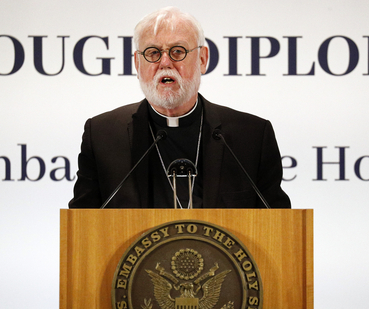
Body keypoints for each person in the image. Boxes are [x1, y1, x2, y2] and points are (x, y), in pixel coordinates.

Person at [69, 6, 291, 209]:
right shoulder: (101, 136)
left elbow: (278, 229)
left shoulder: (251, 137)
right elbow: (81, 230)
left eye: (177, 52)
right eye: (153, 53)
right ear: (137, 64)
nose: (165, 63)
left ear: (202, 59)